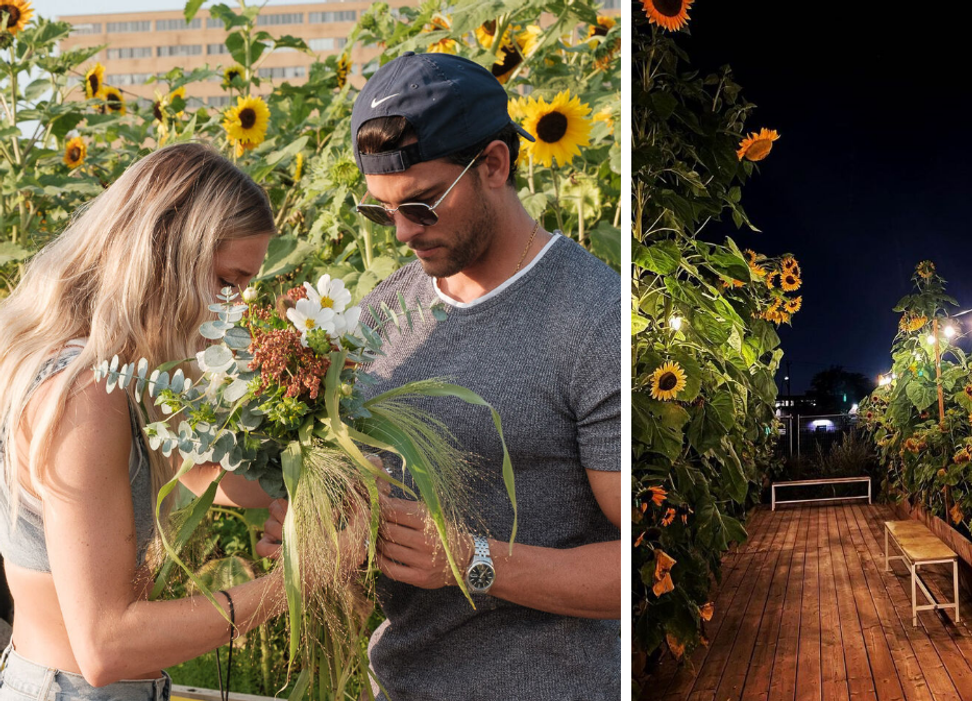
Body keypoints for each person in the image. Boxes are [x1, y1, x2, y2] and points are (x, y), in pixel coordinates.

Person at [267, 51, 621, 699]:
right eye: (381, 212)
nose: (402, 231)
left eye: (422, 206)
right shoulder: (379, 316)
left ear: (492, 164)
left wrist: (472, 562)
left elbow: (638, 568)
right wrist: (310, 522)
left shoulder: (594, 319)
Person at [0, 142, 288, 700]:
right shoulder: (86, 393)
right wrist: (300, 585)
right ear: (166, 255)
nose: (236, 310)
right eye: (227, 284)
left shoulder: (87, 364)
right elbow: (107, 646)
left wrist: (307, 481)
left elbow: (198, 472)